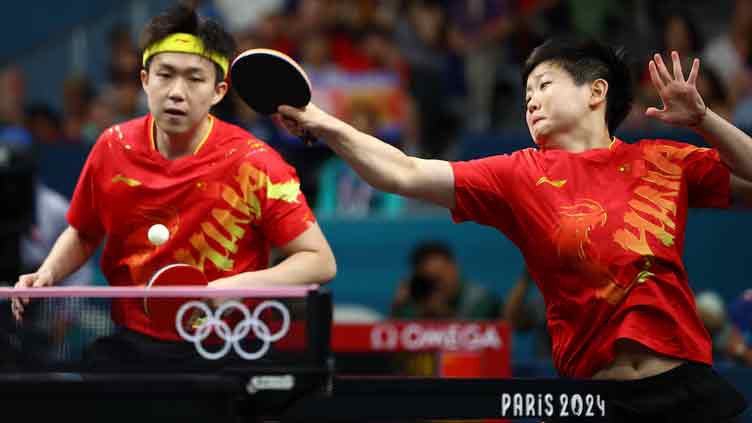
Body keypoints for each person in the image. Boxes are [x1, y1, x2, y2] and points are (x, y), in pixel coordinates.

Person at [278, 37, 750, 421]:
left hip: (686, 390)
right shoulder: (519, 174)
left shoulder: (661, 160)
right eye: (526, 95)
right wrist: (321, 120)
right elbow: (402, 172)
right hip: (597, 399)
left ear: (596, 92)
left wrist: (703, 121)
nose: (531, 101)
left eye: (544, 85)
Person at [11, 4, 336, 370]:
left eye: (194, 78)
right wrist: (48, 273)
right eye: (165, 75)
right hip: (132, 342)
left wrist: (236, 286)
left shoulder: (255, 163)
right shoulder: (114, 146)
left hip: (225, 343)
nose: (176, 92)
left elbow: (319, 261)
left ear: (218, 90)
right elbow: (85, 230)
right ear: (146, 80)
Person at [390, 240, 502, 320]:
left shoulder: (479, 300)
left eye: (438, 279)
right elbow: (393, 347)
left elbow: (478, 338)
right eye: (428, 281)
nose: (435, 287)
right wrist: (397, 308)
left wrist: (443, 314)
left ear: (454, 269)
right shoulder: (414, 302)